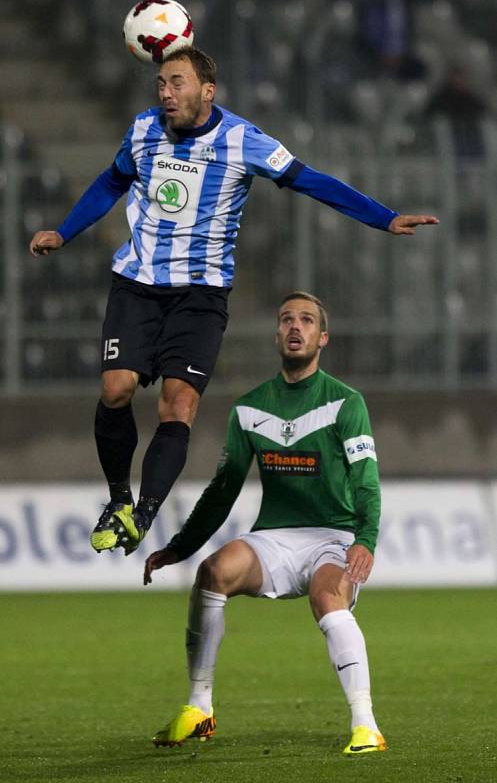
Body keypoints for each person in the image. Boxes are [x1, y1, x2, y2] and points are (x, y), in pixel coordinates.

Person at [29, 45, 437, 557]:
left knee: (178, 403)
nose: (166, 93)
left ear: (207, 91)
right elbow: (113, 179)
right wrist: (64, 232)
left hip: (201, 293)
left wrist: (384, 217)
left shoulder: (243, 140)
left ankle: (145, 512)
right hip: (137, 283)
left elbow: (309, 180)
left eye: (177, 83)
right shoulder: (143, 130)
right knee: (116, 390)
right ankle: (118, 499)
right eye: (161, 83)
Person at [144, 291, 386, 755]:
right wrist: (181, 546)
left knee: (326, 597)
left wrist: (365, 539)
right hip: (274, 538)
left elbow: (366, 482)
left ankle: (366, 724)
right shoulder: (250, 408)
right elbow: (223, 489)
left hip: (333, 536)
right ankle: (199, 708)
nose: (296, 327)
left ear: (323, 337)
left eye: (308, 321)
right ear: (277, 333)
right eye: (287, 319)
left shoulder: (345, 403)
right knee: (212, 573)